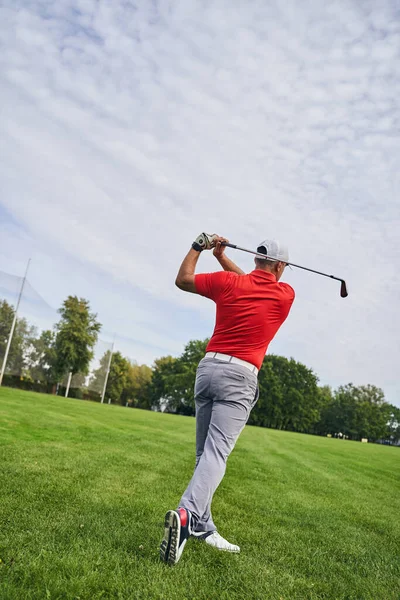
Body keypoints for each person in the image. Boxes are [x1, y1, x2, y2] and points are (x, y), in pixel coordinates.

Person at [160, 233, 295, 565]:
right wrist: (221, 257)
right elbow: (256, 283)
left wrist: (201, 249)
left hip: (207, 370)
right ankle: (187, 516)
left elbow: (183, 280)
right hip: (239, 378)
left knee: (203, 456)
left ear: (255, 260)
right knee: (216, 454)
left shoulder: (228, 284)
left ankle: (204, 527)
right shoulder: (284, 294)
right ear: (279, 266)